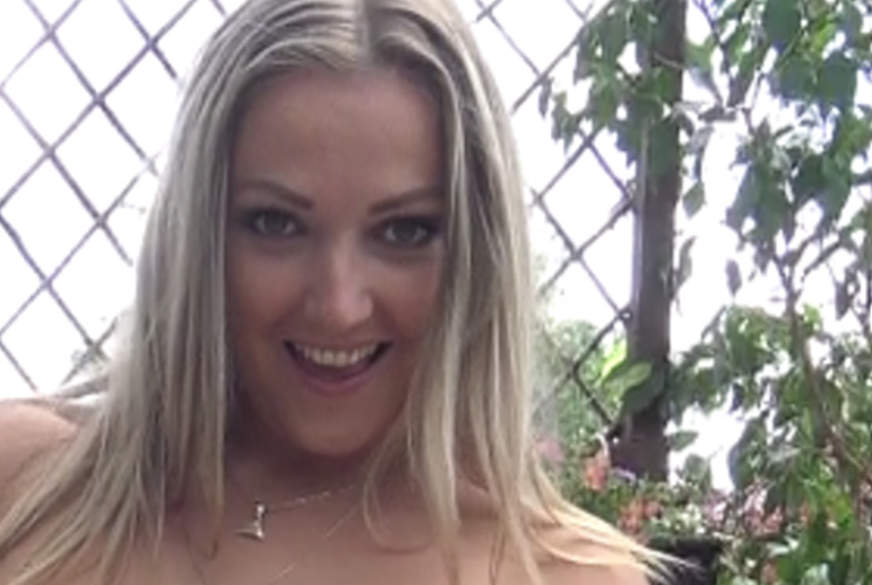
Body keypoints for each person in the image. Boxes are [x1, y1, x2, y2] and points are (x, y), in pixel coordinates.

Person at [0, 0, 668, 583]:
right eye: (276, 223)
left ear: (478, 252)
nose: (339, 305)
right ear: (198, 235)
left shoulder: (568, 573)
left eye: (404, 231)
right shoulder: (32, 489)